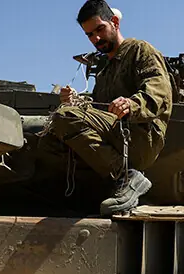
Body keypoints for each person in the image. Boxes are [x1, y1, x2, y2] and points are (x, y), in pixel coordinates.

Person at [38, 0, 173, 216]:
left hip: (140, 136)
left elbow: (160, 94)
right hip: (117, 135)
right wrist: (77, 103)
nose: (96, 39)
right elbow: (100, 109)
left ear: (115, 22)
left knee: (65, 117)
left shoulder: (140, 50)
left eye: (100, 29)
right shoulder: (104, 69)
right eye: (90, 35)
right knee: (50, 132)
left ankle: (126, 178)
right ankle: (102, 185)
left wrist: (131, 104)